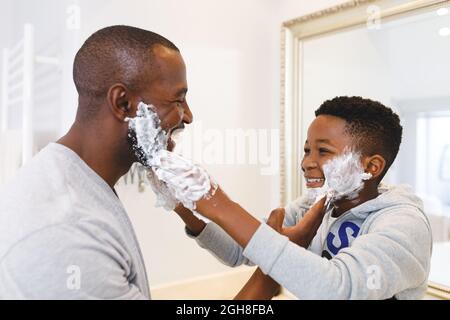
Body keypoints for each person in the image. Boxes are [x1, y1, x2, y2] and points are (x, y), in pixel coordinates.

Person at [0, 25, 193, 299]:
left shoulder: (77, 181)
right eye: (179, 99)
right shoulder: (66, 231)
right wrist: (266, 278)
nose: (188, 116)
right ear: (123, 103)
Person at [176, 96, 433, 300]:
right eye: (307, 149)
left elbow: (338, 289)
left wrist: (222, 205)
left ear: (371, 167)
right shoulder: (313, 206)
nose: (306, 162)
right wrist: (182, 204)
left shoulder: (403, 224)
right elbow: (239, 250)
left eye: (323, 151)